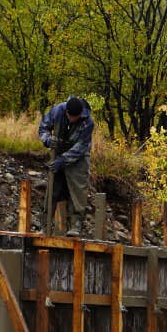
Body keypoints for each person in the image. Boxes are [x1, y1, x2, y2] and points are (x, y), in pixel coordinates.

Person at [37, 96, 94, 236]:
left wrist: (63, 160)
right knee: (53, 187)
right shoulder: (57, 111)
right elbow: (43, 127)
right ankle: (45, 226)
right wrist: (47, 140)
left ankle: (75, 225)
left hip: (78, 156)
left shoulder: (88, 121)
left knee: (78, 188)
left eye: (76, 117)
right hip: (59, 150)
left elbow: (81, 147)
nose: (73, 119)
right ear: (67, 112)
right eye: (71, 116)